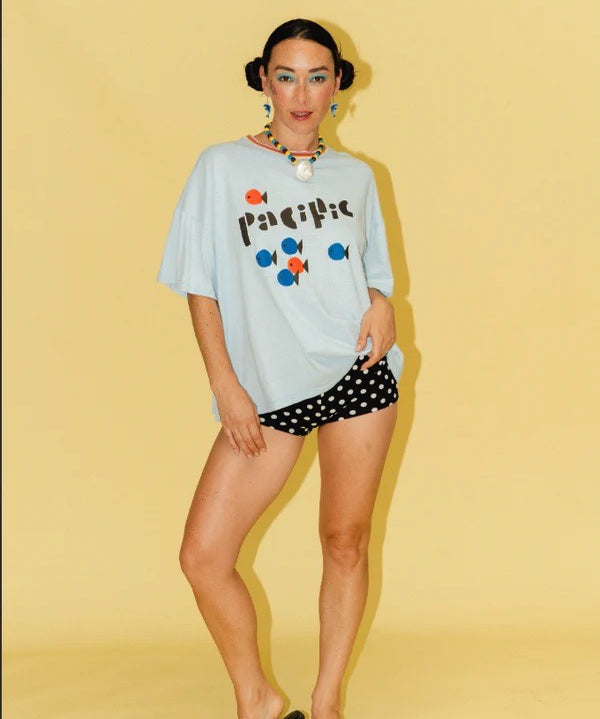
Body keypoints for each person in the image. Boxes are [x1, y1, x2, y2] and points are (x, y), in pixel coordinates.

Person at [157, 18, 404, 719]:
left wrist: (383, 301)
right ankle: (259, 698)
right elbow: (199, 282)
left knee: (345, 541)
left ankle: (325, 705)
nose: (301, 94)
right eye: (287, 76)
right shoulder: (222, 168)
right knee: (204, 555)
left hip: (358, 373)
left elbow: (371, 273)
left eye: (317, 77)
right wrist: (226, 385)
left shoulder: (358, 177)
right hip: (268, 387)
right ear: (264, 81)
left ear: (337, 85)